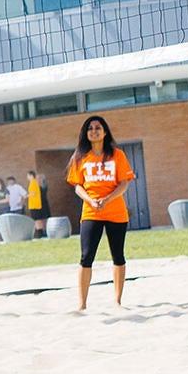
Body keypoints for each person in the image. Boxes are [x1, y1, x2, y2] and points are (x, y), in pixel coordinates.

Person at [68, 115, 134, 310]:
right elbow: (78, 186)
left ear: (105, 132)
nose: (94, 131)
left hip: (115, 211)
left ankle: (117, 300)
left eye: (98, 127)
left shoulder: (117, 155)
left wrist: (107, 199)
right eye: (90, 128)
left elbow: (124, 183)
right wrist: (91, 200)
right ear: (85, 134)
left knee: (118, 255)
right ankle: (82, 304)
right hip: (91, 212)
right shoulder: (80, 157)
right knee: (86, 257)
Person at [25, 170, 50, 238]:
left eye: (28, 176)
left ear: (31, 175)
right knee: (40, 219)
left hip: (36, 205)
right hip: (38, 204)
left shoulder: (33, 183)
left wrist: (26, 196)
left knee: (38, 219)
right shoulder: (36, 183)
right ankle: (43, 232)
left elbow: (33, 193)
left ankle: (41, 233)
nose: (27, 177)